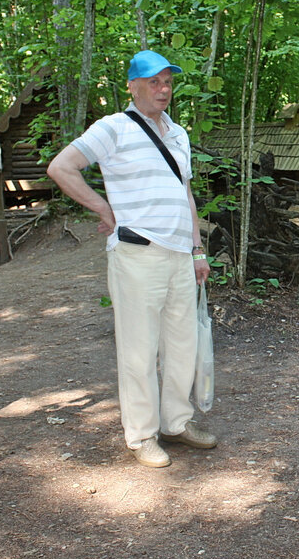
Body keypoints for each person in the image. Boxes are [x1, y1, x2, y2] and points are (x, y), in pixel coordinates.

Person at [47, 49, 214, 468]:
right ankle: (141, 436)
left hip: (180, 255)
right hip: (137, 253)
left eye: (168, 82)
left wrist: (197, 249)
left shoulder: (177, 134)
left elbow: (186, 195)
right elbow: (62, 167)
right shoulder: (114, 128)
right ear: (132, 86)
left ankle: (176, 422)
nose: (163, 89)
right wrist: (104, 209)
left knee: (183, 345)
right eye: (154, 82)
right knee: (139, 350)